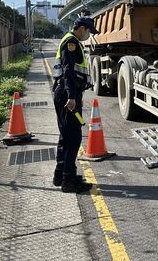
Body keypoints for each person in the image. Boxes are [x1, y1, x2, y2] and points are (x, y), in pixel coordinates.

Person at [52, 17, 98, 193]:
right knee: (73, 139)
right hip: (67, 95)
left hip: (64, 93)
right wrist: (71, 97)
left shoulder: (70, 40)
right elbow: (68, 70)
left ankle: (61, 175)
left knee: (66, 137)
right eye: (89, 31)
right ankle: (69, 181)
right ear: (82, 28)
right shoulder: (71, 42)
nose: (89, 35)